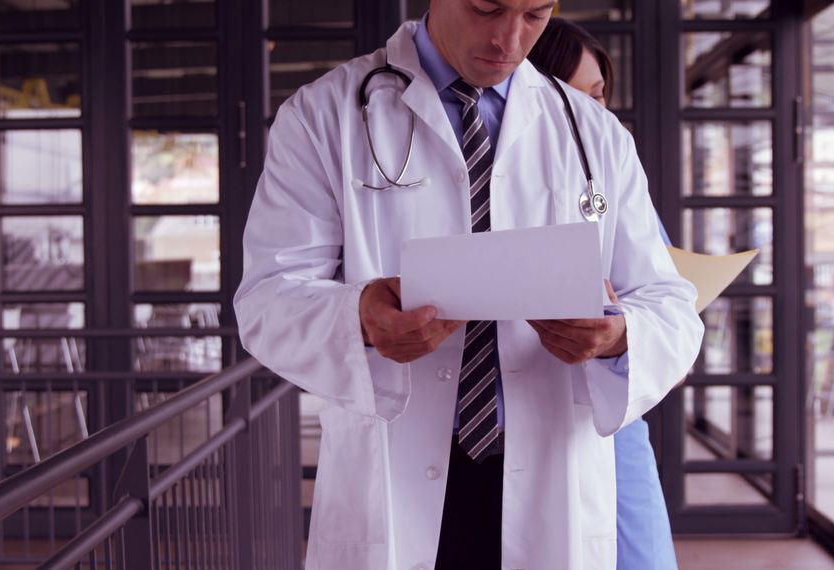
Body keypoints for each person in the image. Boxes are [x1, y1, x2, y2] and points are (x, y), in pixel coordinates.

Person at [234, 1, 703, 568]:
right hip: (395, 474)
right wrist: (359, 315)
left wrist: (619, 335)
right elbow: (267, 297)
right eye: (487, 8)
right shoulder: (323, 115)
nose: (509, 39)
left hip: (552, 475)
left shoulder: (593, 131)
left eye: (535, 14)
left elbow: (670, 303)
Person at [529, 18, 679, 570]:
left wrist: (628, 333)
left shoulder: (610, 180)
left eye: (600, 97)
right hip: (527, 429)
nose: (594, 114)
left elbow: (667, 322)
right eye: (575, 96)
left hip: (614, 426)